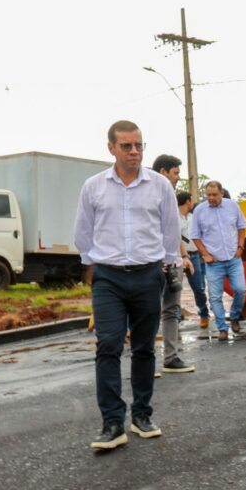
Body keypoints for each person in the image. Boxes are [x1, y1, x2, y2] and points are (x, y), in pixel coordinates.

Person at [74, 120, 181, 450]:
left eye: (139, 145)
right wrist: (93, 264)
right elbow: (83, 233)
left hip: (149, 275)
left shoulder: (160, 186)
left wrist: (164, 263)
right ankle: (112, 423)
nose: (134, 151)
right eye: (126, 146)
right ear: (111, 148)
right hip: (108, 278)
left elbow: (170, 229)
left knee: (145, 348)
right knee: (108, 344)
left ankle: (142, 415)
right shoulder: (93, 187)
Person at [151, 154, 195, 374]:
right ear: (163, 172)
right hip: (153, 263)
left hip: (174, 262)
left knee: (171, 311)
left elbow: (174, 232)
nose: (178, 177)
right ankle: (146, 363)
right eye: (175, 173)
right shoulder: (148, 194)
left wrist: (184, 257)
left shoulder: (171, 196)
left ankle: (171, 358)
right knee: (149, 311)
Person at [190, 181, 246, 341]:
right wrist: (205, 254)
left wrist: (241, 247)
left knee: (241, 290)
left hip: (233, 258)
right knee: (215, 297)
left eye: (214, 195)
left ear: (222, 193)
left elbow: (241, 227)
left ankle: (235, 316)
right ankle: (222, 328)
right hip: (213, 262)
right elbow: (195, 235)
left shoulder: (233, 206)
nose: (211, 198)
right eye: (208, 195)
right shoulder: (199, 211)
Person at [178, 192, 210, 329]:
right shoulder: (173, 217)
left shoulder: (194, 217)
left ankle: (204, 314)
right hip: (177, 257)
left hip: (194, 255)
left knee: (198, 287)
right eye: (192, 200)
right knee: (174, 289)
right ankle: (176, 317)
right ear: (188, 202)